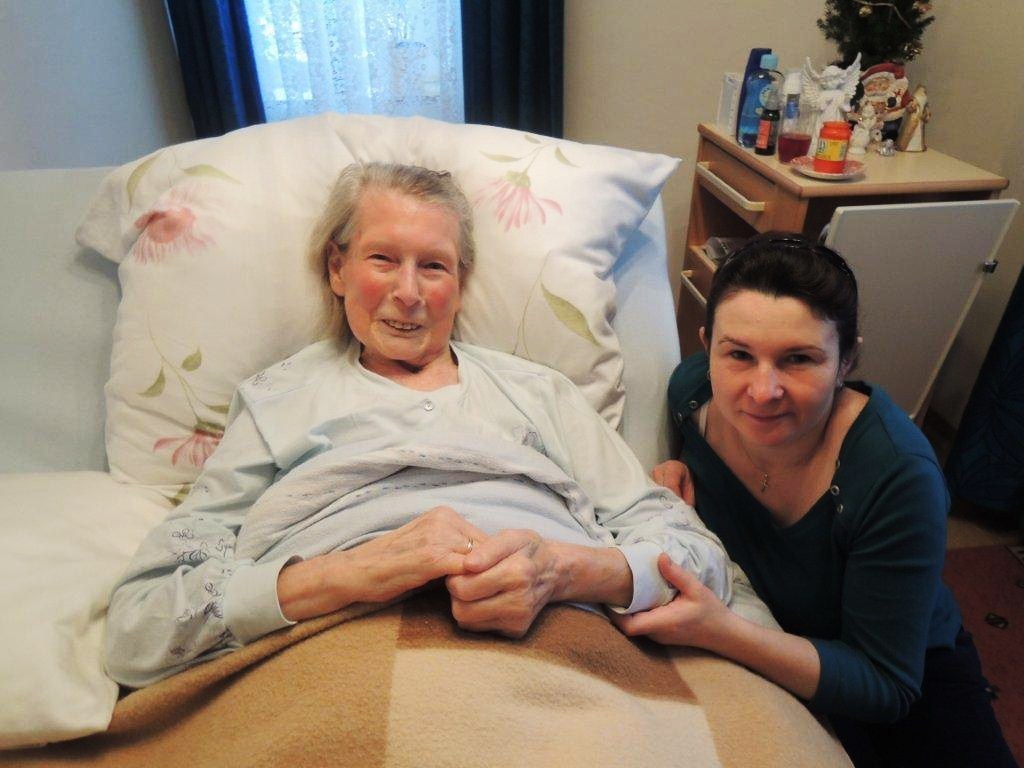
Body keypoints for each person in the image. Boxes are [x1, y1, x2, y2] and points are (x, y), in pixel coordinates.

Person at [104, 162, 771, 689]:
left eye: (434, 266)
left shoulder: (539, 393)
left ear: (460, 281)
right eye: (382, 259)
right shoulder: (277, 399)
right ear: (336, 268)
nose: (409, 293)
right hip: (331, 652)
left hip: (559, 647)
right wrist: (349, 572)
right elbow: (139, 626)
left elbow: (695, 557)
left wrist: (562, 571)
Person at [614, 233, 1018, 768]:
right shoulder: (692, 396)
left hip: (898, 673)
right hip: (769, 636)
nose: (763, 391)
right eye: (739, 354)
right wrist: (681, 467)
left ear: (847, 361)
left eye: (799, 359)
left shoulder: (897, 476)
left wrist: (722, 632)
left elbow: (887, 685)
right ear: (707, 346)